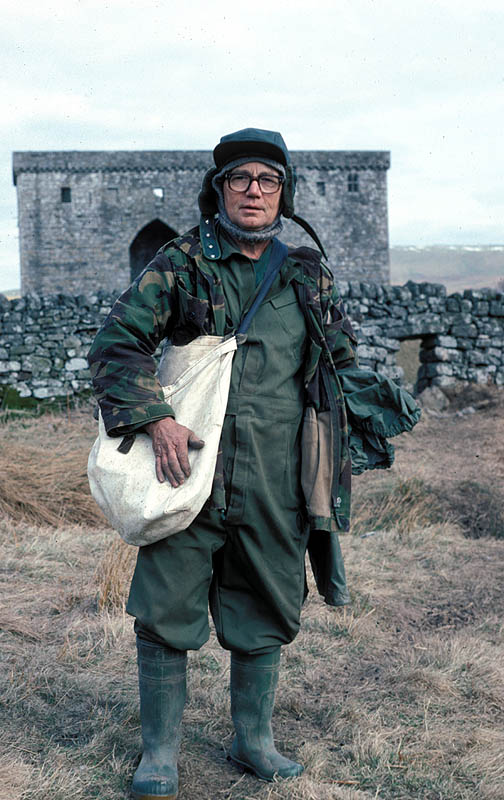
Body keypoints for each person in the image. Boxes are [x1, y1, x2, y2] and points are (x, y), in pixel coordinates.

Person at [88, 128, 420, 800]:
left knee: (266, 607)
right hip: (186, 473)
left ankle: (254, 741)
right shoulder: (182, 264)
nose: (254, 190)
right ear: (219, 190)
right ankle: (159, 754)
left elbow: (338, 363)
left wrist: (376, 408)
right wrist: (155, 418)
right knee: (164, 611)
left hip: (277, 477)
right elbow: (117, 345)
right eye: (240, 179)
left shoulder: (306, 273)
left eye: (268, 180)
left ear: (284, 194)